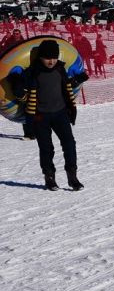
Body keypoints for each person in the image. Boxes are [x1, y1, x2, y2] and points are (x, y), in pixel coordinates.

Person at [8, 39, 88, 190]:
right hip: (40, 116)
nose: (51, 61)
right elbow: (22, 93)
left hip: (60, 113)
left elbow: (66, 86)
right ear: (40, 57)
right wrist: (17, 86)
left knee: (69, 144)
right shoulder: (32, 72)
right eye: (47, 57)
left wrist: (76, 80)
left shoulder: (60, 69)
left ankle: (72, 176)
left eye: (54, 57)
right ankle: (49, 177)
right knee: (46, 148)